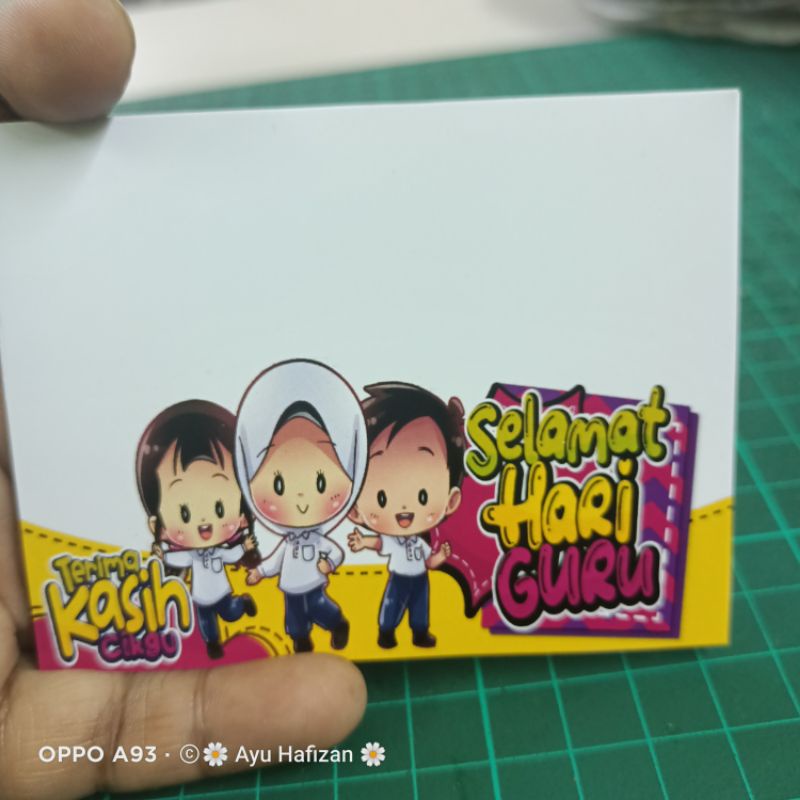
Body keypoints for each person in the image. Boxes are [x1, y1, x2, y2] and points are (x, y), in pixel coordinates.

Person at [0, 4, 365, 798]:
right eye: (190, 513)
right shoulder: (180, 541)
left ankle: (298, 619)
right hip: (201, 607)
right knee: (228, 617)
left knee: (308, 618)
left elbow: (269, 550)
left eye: (217, 506)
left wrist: (305, 554)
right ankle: (237, 625)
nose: (207, 522)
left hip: (290, 587)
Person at [236, 359, 368, 653]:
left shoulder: (318, 539)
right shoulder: (288, 542)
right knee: (294, 619)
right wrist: (260, 572)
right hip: (289, 587)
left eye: (321, 484)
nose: (300, 498)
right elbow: (275, 560)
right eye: (278, 485)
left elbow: (335, 551)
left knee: (321, 607)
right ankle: (301, 640)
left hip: (313, 583)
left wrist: (328, 564)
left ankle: (338, 624)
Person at [137, 400, 259, 659]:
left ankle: (242, 603)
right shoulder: (190, 555)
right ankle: (213, 644)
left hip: (223, 593)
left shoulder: (220, 551)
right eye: (184, 513)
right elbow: (176, 559)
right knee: (207, 624)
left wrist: (244, 547)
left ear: (243, 511)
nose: (204, 521)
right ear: (158, 525)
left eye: (219, 508)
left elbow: (232, 554)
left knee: (230, 613)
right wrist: (161, 555)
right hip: (201, 597)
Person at [348, 382, 464, 648]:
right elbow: (379, 543)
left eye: (423, 496)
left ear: (451, 500)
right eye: (382, 498)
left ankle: (420, 632)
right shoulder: (394, 540)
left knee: (421, 607)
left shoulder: (418, 542)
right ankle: (386, 632)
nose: (404, 508)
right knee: (392, 605)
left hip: (420, 578)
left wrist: (441, 556)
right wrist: (363, 542)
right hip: (399, 578)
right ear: (354, 509)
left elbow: (429, 562)